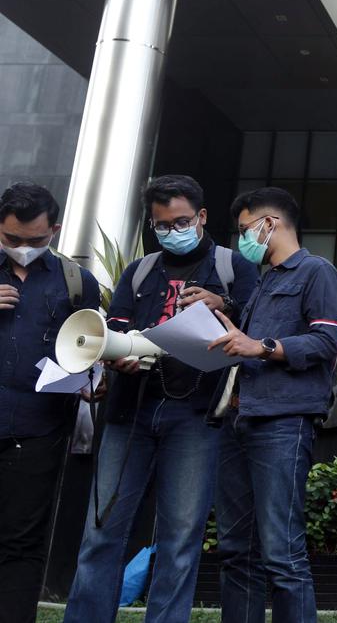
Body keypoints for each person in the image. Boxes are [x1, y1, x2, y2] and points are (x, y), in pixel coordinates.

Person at [63, 175, 257, 623]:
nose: (173, 230)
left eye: (182, 221)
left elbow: (257, 326)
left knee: (181, 538)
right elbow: (112, 329)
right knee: (101, 531)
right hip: (132, 410)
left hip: (197, 415)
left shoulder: (233, 268)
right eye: (162, 224)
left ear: (202, 217)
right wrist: (119, 355)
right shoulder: (141, 270)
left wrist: (224, 304)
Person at [208, 187, 337, 623]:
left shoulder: (316, 272)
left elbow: (328, 339)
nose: (242, 239)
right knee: (235, 550)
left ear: (272, 223)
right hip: (239, 419)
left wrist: (261, 345)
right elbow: (246, 347)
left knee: (283, 555)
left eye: (246, 229)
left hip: (283, 424)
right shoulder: (265, 280)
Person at [0, 182, 101, 623]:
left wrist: (90, 381)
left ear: (55, 231)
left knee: (22, 543)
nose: (23, 248)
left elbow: (92, 353)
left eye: (36, 240)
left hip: (39, 431)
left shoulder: (78, 283)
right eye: (11, 240)